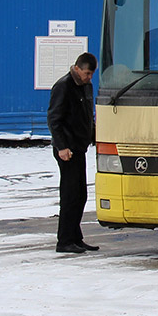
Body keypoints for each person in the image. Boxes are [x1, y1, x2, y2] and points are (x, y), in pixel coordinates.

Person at [46, 52, 98, 254]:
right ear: (77, 68)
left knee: (80, 195)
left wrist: (93, 136)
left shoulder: (85, 86)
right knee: (69, 195)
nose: (89, 78)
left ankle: (75, 237)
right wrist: (61, 147)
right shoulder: (64, 86)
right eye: (87, 73)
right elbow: (54, 119)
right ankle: (65, 240)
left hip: (79, 147)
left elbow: (87, 116)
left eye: (91, 74)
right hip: (67, 149)